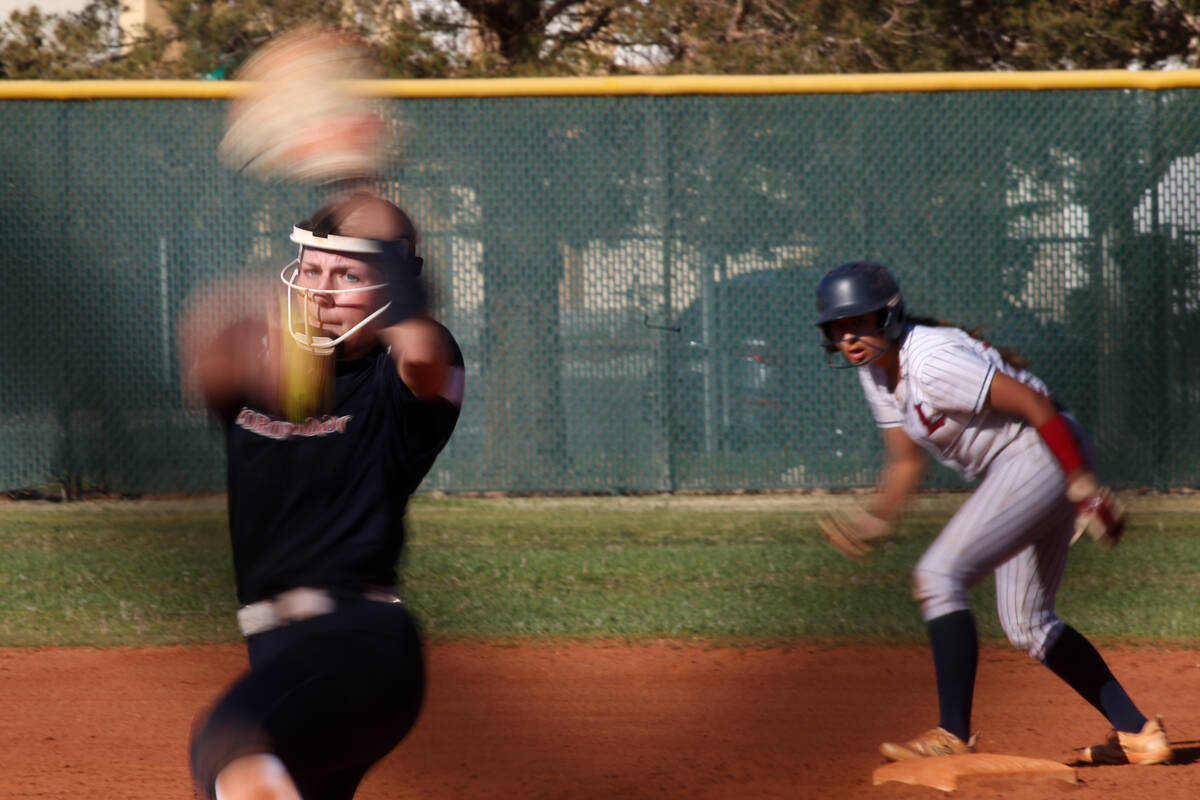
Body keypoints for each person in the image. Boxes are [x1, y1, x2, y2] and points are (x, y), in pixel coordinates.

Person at [813, 260, 1170, 766]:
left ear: (888, 317)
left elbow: (1036, 404)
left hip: (1041, 450)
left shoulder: (931, 360)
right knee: (1028, 622)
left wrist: (1084, 487)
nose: (848, 336)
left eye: (858, 322)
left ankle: (951, 734)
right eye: (837, 326)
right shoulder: (877, 372)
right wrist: (874, 518)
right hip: (1021, 466)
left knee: (938, 576)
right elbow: (905, 461)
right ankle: (1140, 733)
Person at [179, 190, 464, 800]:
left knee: (230, 746)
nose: (321, 290)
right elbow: (211, 346)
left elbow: (424, 355)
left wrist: (380, 229)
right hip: (277, 647)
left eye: (348, 275)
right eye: (311, 269)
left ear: (394, 288)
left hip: (357, 644)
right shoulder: (265, 369)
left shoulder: (395, 383)